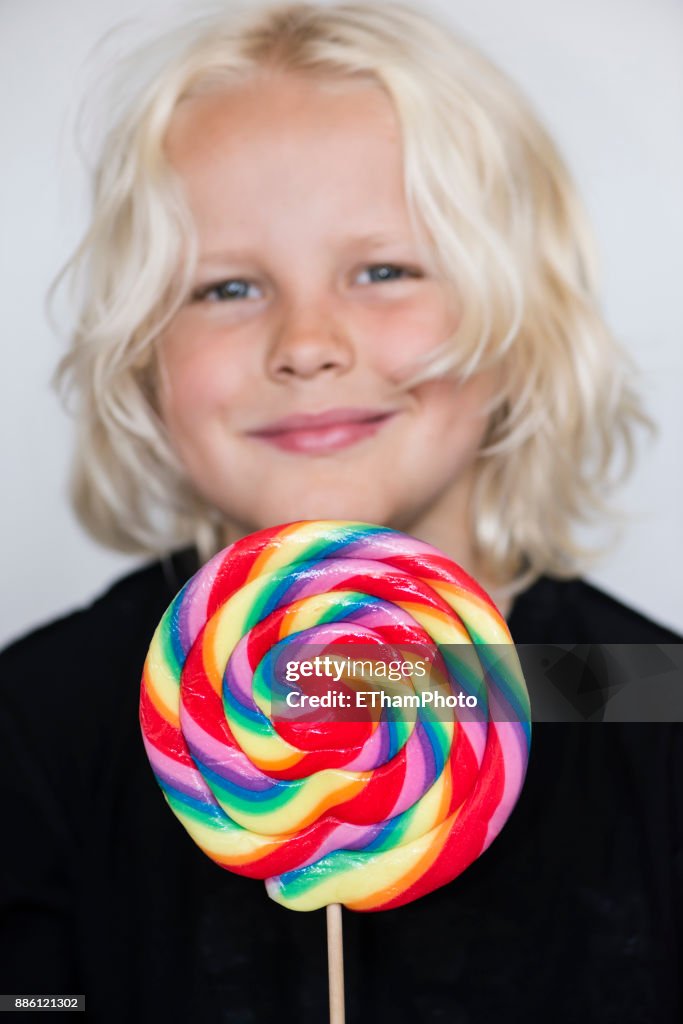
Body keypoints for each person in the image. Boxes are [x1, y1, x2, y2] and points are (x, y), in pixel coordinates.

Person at [0, 2, 680, 1021]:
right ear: (140, 353)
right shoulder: (37, 723)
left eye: (382, 271)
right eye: (226, 286)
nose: (307, 342)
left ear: (518, 321)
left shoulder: (646, 700)